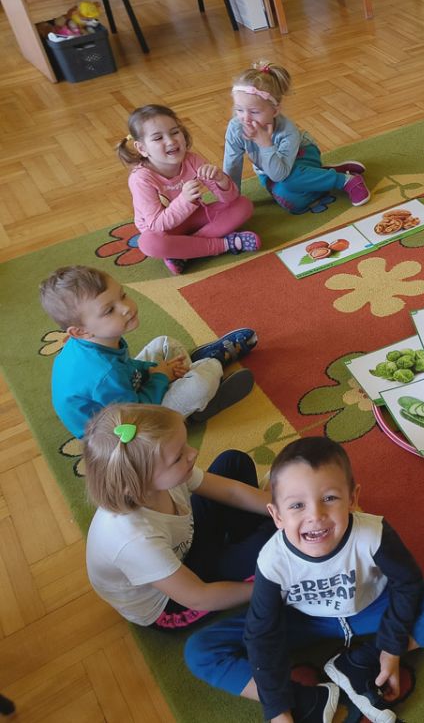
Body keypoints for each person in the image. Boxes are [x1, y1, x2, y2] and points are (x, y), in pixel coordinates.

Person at [184, 437, 424, 723]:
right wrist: (278, 709)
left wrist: (390, 649)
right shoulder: (273, 561)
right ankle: (307, 699)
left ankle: (360, 663)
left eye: (330, 498)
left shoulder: (374, 534)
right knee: (201, 650)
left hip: (369, 608)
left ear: (353, 499)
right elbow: (262, 633)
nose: (316, 515)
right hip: (304, 620)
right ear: (277, 515)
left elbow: (407, 583)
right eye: (297, 505)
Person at [83, 403, 274, 630]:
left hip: (183, 547)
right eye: (178, 457)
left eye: (185, 445)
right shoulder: (133, 540)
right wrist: (266, 590)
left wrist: (283, 510)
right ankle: (256, 546)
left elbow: (231, 492)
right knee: (275, 550)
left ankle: (252, 541)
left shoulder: (161, 479)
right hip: (173, 601)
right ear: (137, 484)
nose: (193, 453)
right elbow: (199, 597)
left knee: (233, 461)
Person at [40, 265, 256, 438]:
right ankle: (197, 402)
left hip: (121, 398)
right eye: (109, 310)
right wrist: (159, 377)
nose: (126, 308)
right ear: (80, 331)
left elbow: (126, 367)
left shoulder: (96, 341)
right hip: (125, 431)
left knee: (165, 343)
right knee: (202, 382)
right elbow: (136, 413)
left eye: (123, 295)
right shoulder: (105, 374)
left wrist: (149, 370)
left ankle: (191, 371)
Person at [118, 104, 258, 277]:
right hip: (165, 231)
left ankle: (185, 250)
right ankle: (224, 245)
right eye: (158, 138)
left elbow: (230, 199)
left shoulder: (192, 160)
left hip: (194, 218)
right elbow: (156, 225)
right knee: (148, 243)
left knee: (243, 205)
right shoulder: (140, 179)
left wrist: (221, 180)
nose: (171, 141)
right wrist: (184, 200)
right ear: (142, 148)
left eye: (174, 132)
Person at [223, 60, 369, 215]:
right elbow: (232, 166)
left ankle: (345, 180)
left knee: (289, 180)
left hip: (301, 155)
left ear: (274, 111)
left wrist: (265, 144)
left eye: (254, 112)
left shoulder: (287, 131)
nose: (245, 118)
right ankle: (319, 174)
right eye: (239, 110)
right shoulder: (236, 128)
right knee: (291, 203)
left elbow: (280, 174)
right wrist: (232, 201)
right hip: (271, 170)